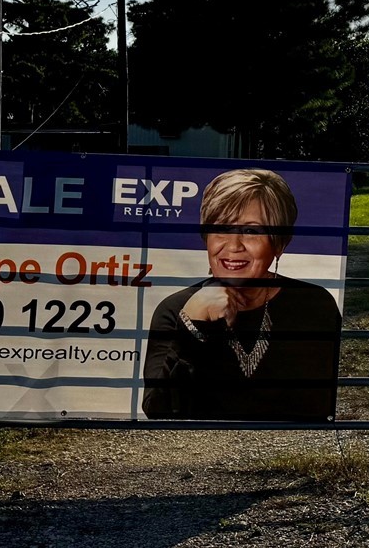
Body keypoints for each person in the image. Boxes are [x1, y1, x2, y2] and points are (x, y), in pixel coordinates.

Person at [142, 168, 341, 421]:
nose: (234, 246)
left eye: (251, 231)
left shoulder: (314, 304)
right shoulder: (175, 309)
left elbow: (320, 408)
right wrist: (191, 327)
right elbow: (158, 412)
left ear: (278, 243)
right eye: (221, 229)